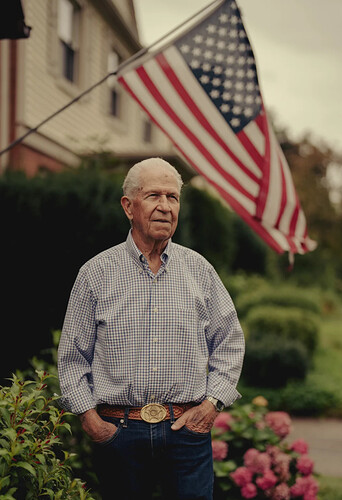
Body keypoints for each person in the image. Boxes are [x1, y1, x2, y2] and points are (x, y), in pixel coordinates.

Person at [58, 157, 245, 500]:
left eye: (172, 197)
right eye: (153, 196)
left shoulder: (199, 270)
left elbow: (230, 342)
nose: (164, 207)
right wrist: (91, 421)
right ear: (128, 206)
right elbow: (72, 357)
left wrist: (212, 404)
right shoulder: (95, 274)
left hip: (187, 432)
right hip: (119, 433)